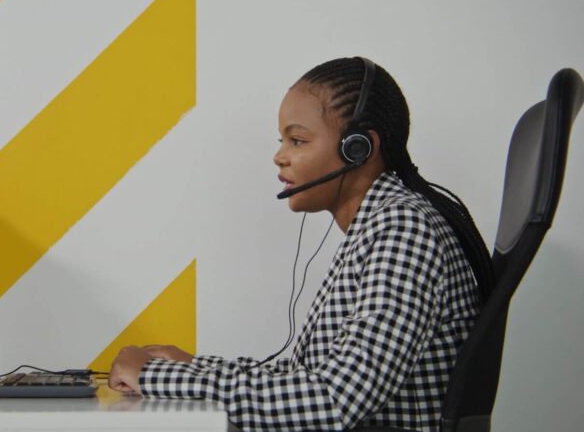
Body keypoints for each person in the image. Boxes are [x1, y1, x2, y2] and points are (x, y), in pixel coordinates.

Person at [108, 57, 493, 431]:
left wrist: (158, 378)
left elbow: (333, 399)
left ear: (358, 148)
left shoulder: (403, 229)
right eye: (282, 140)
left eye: (297, 140)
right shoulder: (377, 227)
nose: (279, 157)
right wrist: (193, 368)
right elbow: (305, 379)